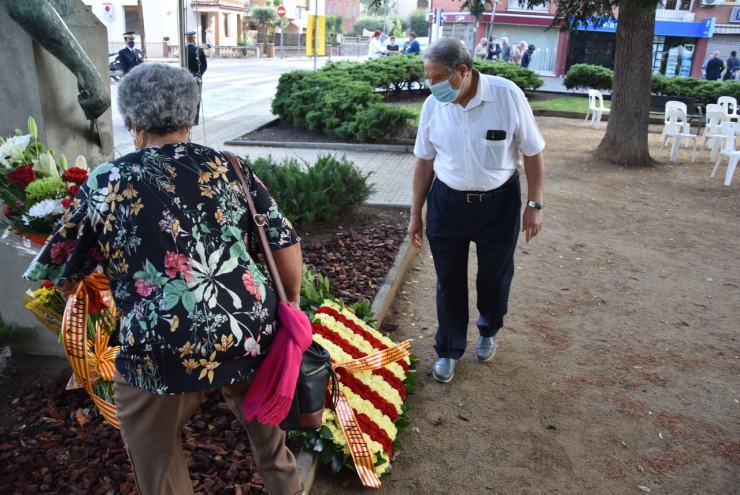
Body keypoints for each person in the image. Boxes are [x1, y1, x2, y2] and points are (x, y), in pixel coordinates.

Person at [24, 63, 304, 495]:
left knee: (157, 462)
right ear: (191, 116)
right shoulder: (230, 166)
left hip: (161, 342)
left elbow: (63, 275)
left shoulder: (107, 180)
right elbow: (283, 243)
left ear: (132, 122)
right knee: (271, 445)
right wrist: (292, 304)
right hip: (249, 328)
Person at [408, 38, 545, 384]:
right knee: (448, 281)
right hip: (447, 204)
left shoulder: (507, 95)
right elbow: (425, 162)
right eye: (428, 77)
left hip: (498, 205)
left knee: (494, 278)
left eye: (438, 77)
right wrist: (415, 213)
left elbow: (532, 152)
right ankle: (449, 349)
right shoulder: (432, 106)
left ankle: (488, 329)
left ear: (463, 72)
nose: (432, 85)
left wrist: (534, 204)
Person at [186, 31, 207, 125]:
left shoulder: (183, 50)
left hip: (186, 79)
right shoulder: (199, 50)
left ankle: (187, 120)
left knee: (186, 99)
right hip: (197, 79)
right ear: (194, 40)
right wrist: (198, 74)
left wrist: (190, 74)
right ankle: (195, 120)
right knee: (197, 99)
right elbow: (204, 65)